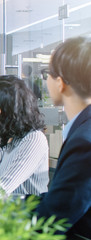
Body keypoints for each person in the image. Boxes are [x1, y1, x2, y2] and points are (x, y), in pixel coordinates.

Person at [36, 37, 91, 239]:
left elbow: (53, 218)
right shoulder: (81, 130)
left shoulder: (84, 142)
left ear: (60, 83)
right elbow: (59, 198)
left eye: (46, 74)